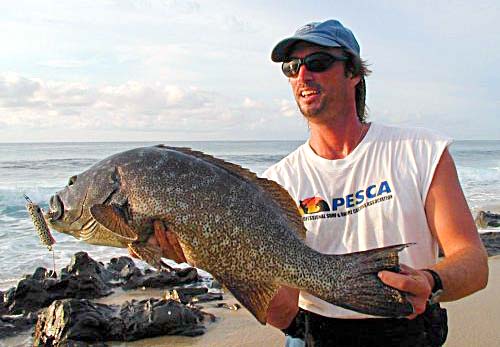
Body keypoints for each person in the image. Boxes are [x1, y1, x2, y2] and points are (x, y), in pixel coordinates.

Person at [262, 19, 489, 346]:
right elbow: (282, 314)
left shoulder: (421, 151)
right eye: (292, 66)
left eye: (318, 63)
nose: (303, 76)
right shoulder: (275, 183)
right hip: (313, 334)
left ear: (353, 73)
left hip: (408, 330)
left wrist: (430, 280)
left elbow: (474, 261)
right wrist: (218, 260)